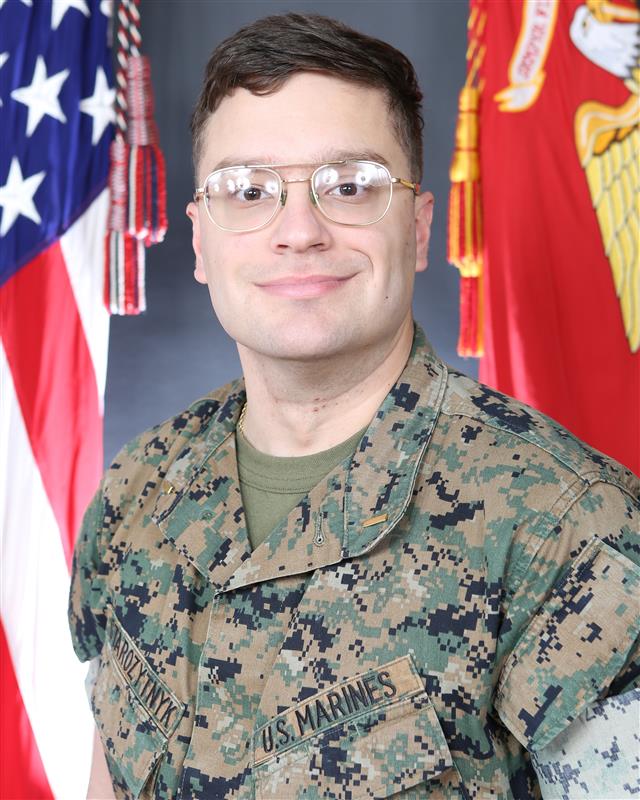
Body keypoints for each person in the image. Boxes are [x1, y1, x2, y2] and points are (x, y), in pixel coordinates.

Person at [69, 12, 640, 800]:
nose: (299, 231)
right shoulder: (136, 491)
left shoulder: (567, 530)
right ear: (200, 241)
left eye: (349, 186)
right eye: (249, 190)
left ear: (419, 225)